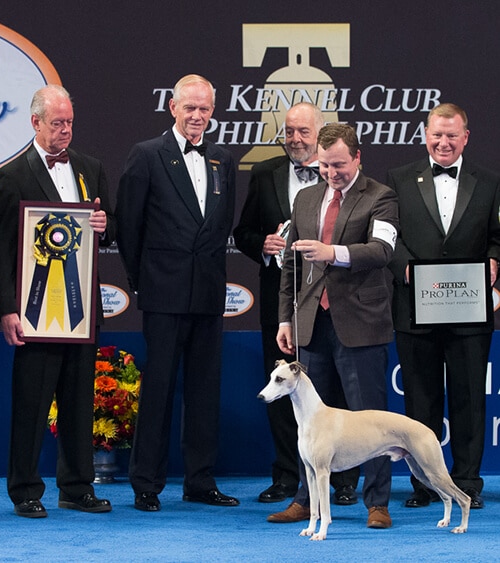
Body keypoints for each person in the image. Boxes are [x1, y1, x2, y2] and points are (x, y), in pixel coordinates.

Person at [0, 85, 115, 518]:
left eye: (69, 123)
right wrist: (6, 308)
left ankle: (77, 487)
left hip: (80, 310)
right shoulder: (12, 176)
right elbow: (4, 248)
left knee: (80, 400)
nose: (65, 131)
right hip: (35, 308)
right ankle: (25, 489)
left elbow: (107, 229)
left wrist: (103, 223)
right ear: (35, 123)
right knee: (31, 401)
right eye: (56, 123)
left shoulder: (90, 167)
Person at [116, 74, 238, 512]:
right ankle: (146, 484)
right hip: (163, 294)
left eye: (204, 109)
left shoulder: (224, 159)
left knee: (205, 391)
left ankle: (200, 481)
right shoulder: (147, 155)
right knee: (159, 390)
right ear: (172, 107)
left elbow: (221, 226)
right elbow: (127, 227)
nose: (197, 116)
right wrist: (141, 281)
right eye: (190, 108)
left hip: (208, 294)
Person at [270, 123, 398, 529]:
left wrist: (332, 252)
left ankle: (377, 503)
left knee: (371, 420)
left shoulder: (381, 196)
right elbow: (291, 264)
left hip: (361, 323)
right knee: (310, 422)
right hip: (311, 324)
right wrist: (286, 318)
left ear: (358, 157)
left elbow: (382, 250)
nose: (331, 172)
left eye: (339, 164)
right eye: (324, 165)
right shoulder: (305, 199)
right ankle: (306, 501)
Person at [234, 103, 359, 505]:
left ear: (321, 135)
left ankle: (343, 482)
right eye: (289, 132)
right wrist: (263, 245)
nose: (295, 139)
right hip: (281, 302)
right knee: (282, 390)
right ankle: (289, 478)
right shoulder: (264, 173)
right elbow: (243, 232)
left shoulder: (340, 176)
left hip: (333, 301)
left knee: (336, 391)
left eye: (304, 132)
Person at [387, 103, 500, 510]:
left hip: (470, 314)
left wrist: (494, 260)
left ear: (465, 137)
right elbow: (387, 236)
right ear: (425, 133)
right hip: (415, 311)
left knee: (470, 399)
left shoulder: (489, 182)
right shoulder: (398, 179)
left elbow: (497, 236)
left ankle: (467, 482)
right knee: (421, 400)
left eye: (452, 135)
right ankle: (425, 485)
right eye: (437, 134)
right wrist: (406, 269)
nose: (443, 142)